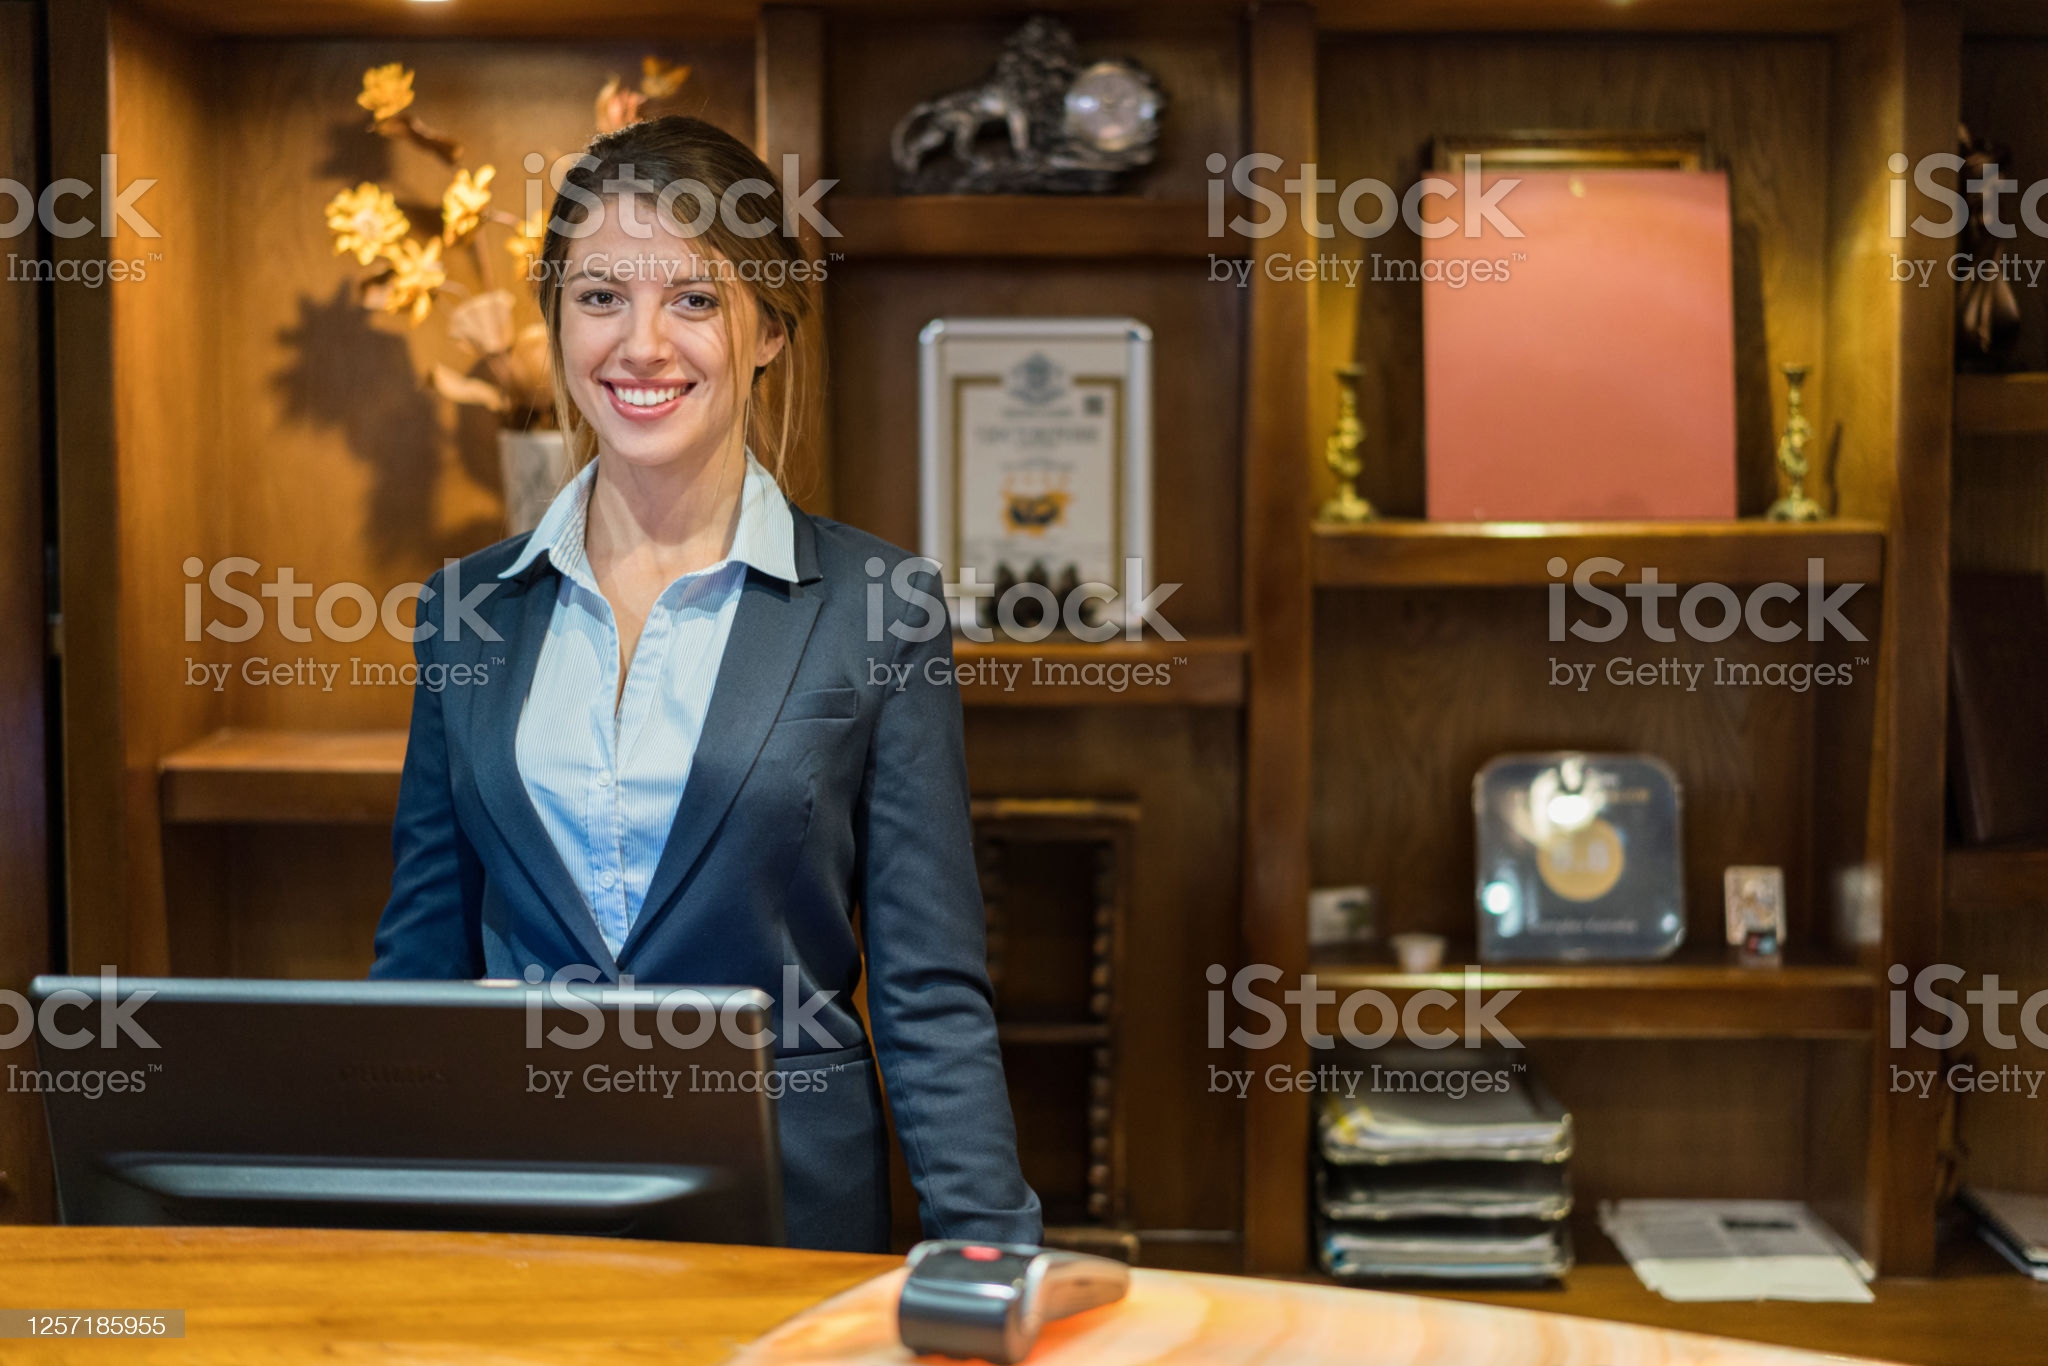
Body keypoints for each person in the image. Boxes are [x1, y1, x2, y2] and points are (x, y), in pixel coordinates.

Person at [369, 114, 1040, 1253]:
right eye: (598, 298)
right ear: (554, 322)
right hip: (522, 1208)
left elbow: (927, 992)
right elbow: (420, 957)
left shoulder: (882, 605)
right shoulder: (467, 606)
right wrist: (364, 1223)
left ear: (768, 326)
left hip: (786, 1209)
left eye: (691, 299)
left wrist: (990, 1254)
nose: (640, 344)